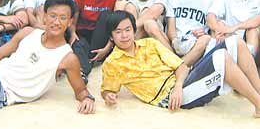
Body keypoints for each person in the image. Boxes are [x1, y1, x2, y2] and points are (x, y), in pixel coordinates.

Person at [101, 10, 260, 116]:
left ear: (133, 30)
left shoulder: (149, 43)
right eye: (118, 32)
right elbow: (107, 90)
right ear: (111, 36)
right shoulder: (112, 63)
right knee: (222, 57)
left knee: (237, 42)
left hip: (181, 84)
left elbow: (180, 66)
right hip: (169, 98)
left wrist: (178, 87)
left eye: (128, 30)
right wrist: (109, 96)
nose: (124, 35)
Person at [71, 0, 119, 78]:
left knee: (106, 15)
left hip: (103, 35)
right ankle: (84, 71)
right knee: (78, 43)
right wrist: (72, 33)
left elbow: (117, 25)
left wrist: (107, 48)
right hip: (84, 32)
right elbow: (74, 19)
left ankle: (89, 58)